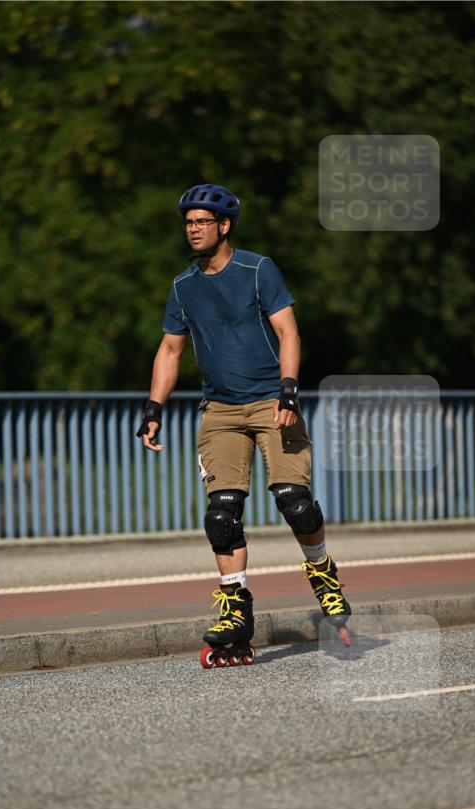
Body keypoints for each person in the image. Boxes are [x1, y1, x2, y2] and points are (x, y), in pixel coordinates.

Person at [137, 183, 350, 662]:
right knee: (221, 513)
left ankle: (322, 572)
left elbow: (288, 330)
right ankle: (236, 608)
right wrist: (153, 408)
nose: (193, 230)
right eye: (188, 223)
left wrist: (289, 389)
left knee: (294, 503)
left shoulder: (258, 269)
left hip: (273, 403)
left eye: (202, 222)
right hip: (220, 412)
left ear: (224, 225)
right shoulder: (182, 285)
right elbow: (170, 350)